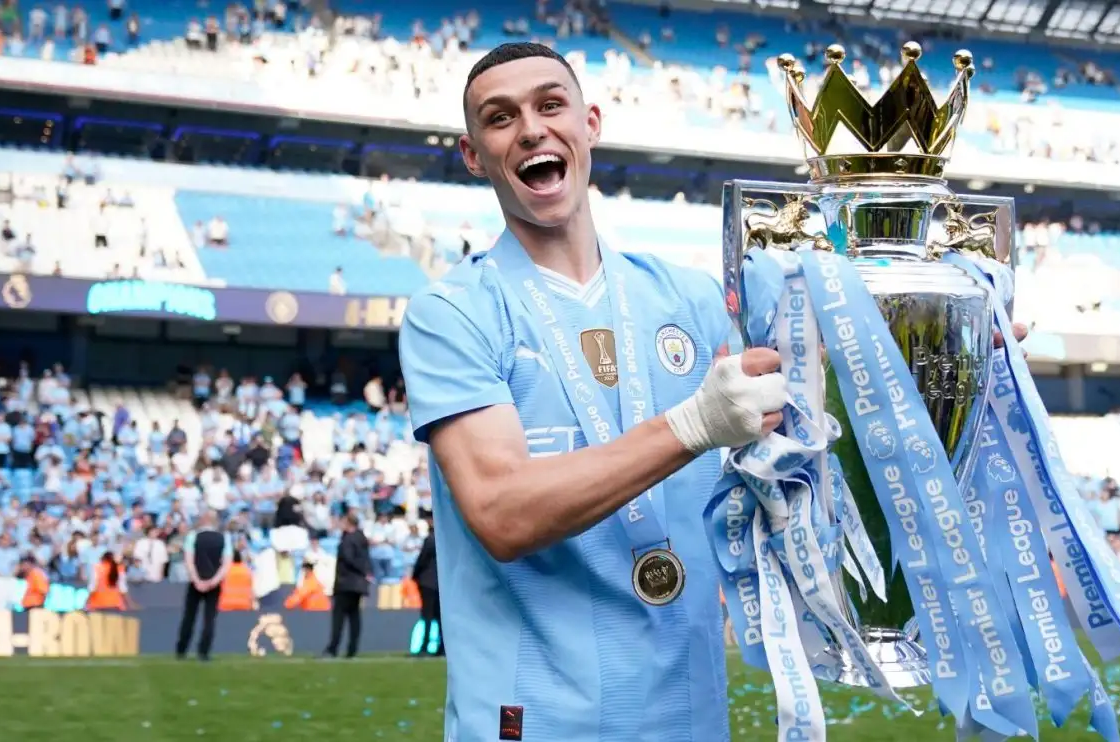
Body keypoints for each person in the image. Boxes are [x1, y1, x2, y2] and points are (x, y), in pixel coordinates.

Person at [398, 42, 790, 742]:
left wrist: (932, 347)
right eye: (500, 118)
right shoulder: (452, 313)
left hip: (689, 719)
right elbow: (501, 511)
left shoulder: (690, 300)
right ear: (472, 154)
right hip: (536, 721)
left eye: (551, 105)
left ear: (590, 123)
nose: (530, 129)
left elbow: (809, 403)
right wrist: (692, 425)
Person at [176, 512, 232, 661]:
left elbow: (189, 561)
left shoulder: (193, 536)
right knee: (209, 618)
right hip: (214, 583)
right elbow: (226, 564)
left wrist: (196, 580)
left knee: (189, 617)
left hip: (196, 582)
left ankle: (182, 650)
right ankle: (204, 652)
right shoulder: (224, 538)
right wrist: (214, 581)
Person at [321, 512, 372, 659]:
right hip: (358, 584)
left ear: (348, 523)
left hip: (346, 583)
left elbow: (349, 558)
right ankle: (352, 649)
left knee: (339, 617)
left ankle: (333, 648)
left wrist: (361, 570)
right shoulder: (362, 538)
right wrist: (365, 573)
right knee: (354, 616)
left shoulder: (348, 540)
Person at [410, 516, 441, 657]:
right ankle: (441, 648)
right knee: (440, 616)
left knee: (427, 615)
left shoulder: (430, 540)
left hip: (428, 582)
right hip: (441, 583)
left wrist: (415, 575)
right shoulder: (445, 540)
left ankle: (425, 646)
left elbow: (422, 560)